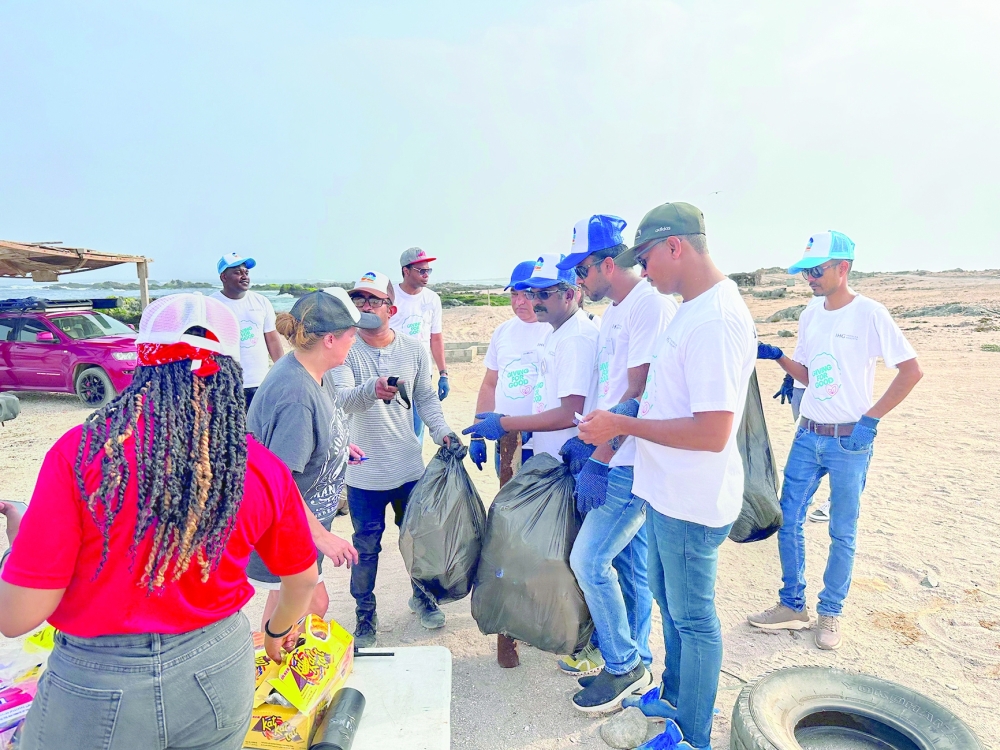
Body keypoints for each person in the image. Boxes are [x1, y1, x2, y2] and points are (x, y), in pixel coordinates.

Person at [0, 294, 320, 750]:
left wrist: (19, 548)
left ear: (141, 361)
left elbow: (17, 617)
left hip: (99, 683)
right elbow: (302, 580)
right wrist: (274, 633)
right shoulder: (257, 466)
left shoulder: (82, 453)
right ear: (231, 370)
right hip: (218, 668)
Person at [579, 202, 756, 750]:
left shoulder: (716, 318)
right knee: (667, 603)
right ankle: (676, 696)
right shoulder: (691, 307)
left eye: (648, 258)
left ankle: (693, 736)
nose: (644, 270)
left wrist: (625, 422)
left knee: (693, 619)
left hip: (691, 501)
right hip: (665, 493)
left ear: (675, 246)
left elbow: (712, 432)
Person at [749, 231, 922, 650]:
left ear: (843, 268)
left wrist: (871, 419)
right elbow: (809, 374)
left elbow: (911, 370)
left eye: (817, 269)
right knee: (787, 518)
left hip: (850, 441)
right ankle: (792, 604)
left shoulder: (870, 314)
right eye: (806, 270)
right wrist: (779, 360)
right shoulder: (810, 313)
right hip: (808, 435)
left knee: (842, 530)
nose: (809, 277)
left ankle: (830, 613)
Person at [559, 215, 678, 713]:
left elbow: (640, 390)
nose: (578, 281)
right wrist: (583, 441)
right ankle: (630, 661)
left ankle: (626, 664)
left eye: (583, 271)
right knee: (627, 565)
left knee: (588, 560)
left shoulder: (648, 306)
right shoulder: (615, 311)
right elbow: (609, 389)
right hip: (611, 452)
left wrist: (602, 457)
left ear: (609, 263)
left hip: (630, 460)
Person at [331, 270, 466, 648]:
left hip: (408, 466)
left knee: (417, 540)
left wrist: (443, 433)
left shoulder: (412, 349)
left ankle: (422, 599)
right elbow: (342, 399)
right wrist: (371, 390)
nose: (364, 306)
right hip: (364, 474)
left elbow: (426, 401)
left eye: (372, 300)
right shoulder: (343, 349)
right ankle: (365, 615)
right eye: (358, 300)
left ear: (391, 308)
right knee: (366, 546)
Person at [246, 288, 394, 629]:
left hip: (301, 522)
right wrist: (322, 537)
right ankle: (273, 673)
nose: (355, 341)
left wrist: (337, 450)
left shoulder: (313, 368)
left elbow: (317, 431)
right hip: (284, 526)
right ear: (329, 339)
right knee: (300, 608)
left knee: (311, 603)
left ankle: (276, 668)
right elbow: (278, 481)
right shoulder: (296, 395)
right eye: (351, 335)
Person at [463, 253, 599, 461]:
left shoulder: (575, 337)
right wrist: (481, 436)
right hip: (535, 448)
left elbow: (570, 413)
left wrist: (505, 424)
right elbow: (491, 384)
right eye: (531, 293)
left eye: (542, 294)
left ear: (570, 295)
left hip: (561, 456)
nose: (532, 301)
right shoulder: (557, 330)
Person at [469, 260, 551, 473]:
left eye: (527, 294)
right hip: (506, 443)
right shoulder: (502, 331)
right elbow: (490, 384)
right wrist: (477, 433)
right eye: (514, 294)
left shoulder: (553, 331)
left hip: (544, 448)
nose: (519, 302)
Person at [211, 252, 284, 410]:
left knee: (257, 432)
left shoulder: (261, 302)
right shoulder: (211, 304)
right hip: (225, 384)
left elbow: (272, 338)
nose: (244, 276)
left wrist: (282, 368)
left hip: (260, 382)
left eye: (246, 272)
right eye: (237, 272)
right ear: (223, 277)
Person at [389, 248, 449, 438]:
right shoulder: (390, 296)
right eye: (421, 271)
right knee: (392, 430)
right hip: (393, 373)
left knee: (417, 430)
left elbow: (436, 338)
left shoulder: (432, 299)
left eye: (428, 271)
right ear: (406, 271)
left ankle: (414, 468)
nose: (426, 275)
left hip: (422, 374)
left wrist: (443, 373)